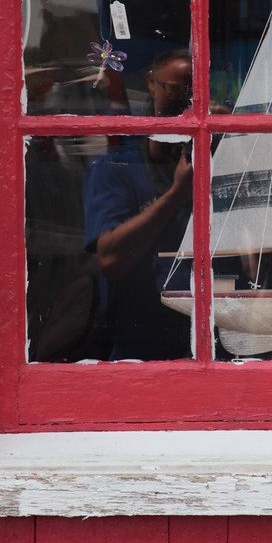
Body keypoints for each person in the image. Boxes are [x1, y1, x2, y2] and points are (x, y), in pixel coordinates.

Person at [83, 49, 194, 360]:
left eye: (195, 94)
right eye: (176, 90)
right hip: (140, 344)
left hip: (211, 339)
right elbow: (109, 259)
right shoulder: (116, 168)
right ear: (151, 83)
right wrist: (175, 195)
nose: (186, 102)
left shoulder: (216, 165)